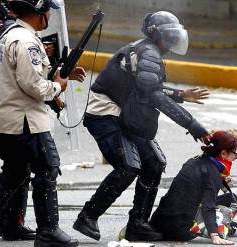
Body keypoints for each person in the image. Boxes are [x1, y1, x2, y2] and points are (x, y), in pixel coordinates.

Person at [72, 11, 210, 242]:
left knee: (154, 163)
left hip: (125, 113)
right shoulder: (149, 53)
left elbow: (147, 87)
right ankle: (88, 216)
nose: (172, 40)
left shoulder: (148, 51)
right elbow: (154, 95)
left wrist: (179, 94)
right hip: (106, 113)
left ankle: (138, 224)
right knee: (128, 165)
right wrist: (193, 125)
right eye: (168, 35)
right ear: (157, 35)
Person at [0, 0, 85, 246]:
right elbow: (33, 85)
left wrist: (60, 76)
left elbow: (25, 77)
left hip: (9, 117)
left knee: (16, 170)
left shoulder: (12, 34)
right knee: (48, 167)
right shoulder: (27, 41)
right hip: (23, 120)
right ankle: (48, 230)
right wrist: (58, 86)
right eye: (47, 12)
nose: (49, 16)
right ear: (39, 14)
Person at [0, 1, 36, 241]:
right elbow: (25, 78)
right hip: (10, 106)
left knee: (18, 166)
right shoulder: (11, 33)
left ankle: (8, 223)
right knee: (18, 166)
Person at [149, 130, 237, 245]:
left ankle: (223, 225)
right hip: (180, 231)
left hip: (160, 221)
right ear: (223, 153)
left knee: (230, 197)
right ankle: (226, 228)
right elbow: (208, 206)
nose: (236, 157)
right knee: (226, 206)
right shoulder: (212, 173)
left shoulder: (195, 161)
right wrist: (214, 235)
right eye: (235, 153)